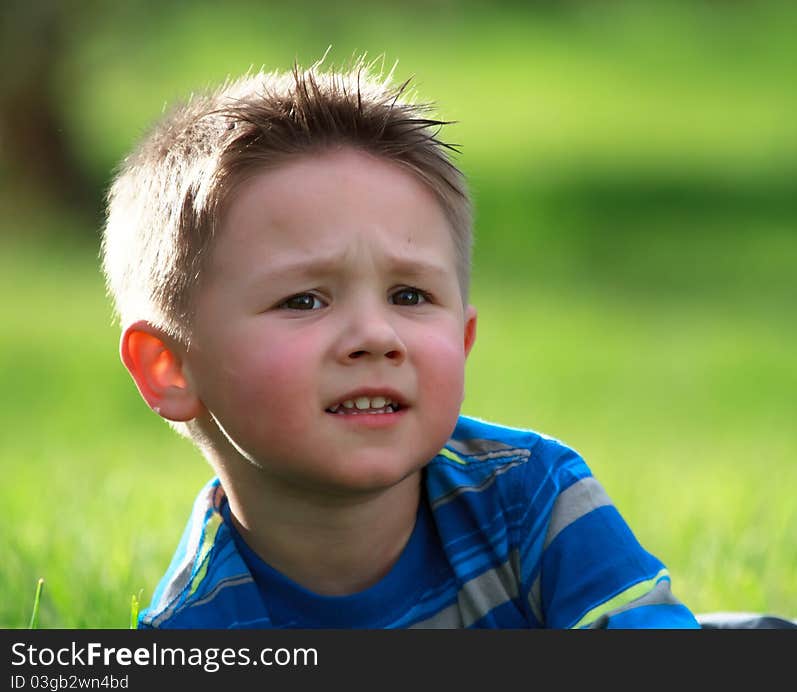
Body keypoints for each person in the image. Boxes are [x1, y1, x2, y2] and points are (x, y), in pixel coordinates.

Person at [100, 58, 701, 629]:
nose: (376, 336)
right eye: (304, 300)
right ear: (169, 367)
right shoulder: (199, 626)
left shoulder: (529, 498)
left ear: (462, 339)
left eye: (410, 296)